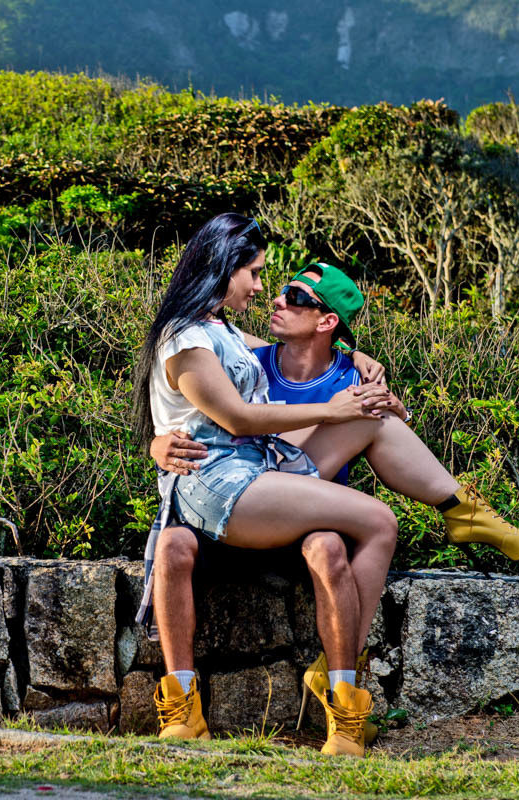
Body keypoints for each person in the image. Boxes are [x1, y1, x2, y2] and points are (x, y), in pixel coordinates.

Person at [142, 258, 519, 753]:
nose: (276, 299)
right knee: (171, 544)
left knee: (333, 533)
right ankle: (183, 709)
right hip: (240, 502)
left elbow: (389, 420)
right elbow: (189, 393)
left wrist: (364, 372)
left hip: (300, 512)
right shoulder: (251, 357)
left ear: (327, 321)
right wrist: (158, 444)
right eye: (277, 287)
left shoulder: (352, 380)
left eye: (296, 298)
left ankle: (463, 514)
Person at [132, 212, 402, 757]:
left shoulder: (221, 330)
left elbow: (299, 342)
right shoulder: (186, 340)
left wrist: (353, 354)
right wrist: (330, 409)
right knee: (379, 520)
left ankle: (343, 702)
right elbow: (233, 418)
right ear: (222, 267)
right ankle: (188, 706)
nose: (261, 288)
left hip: (250, 482)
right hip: (222, 489)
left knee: (343, 520)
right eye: (253, 274)